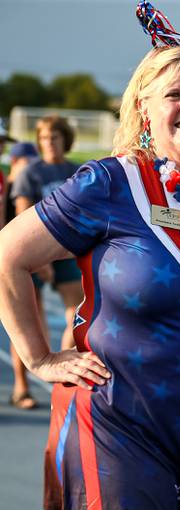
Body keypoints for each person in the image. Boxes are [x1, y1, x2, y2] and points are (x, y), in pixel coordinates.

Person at [0, 4, 180, 510]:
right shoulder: (108, 184)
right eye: (173, 94)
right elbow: (7, 256)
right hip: (119, 421)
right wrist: (40, 358)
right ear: (143, 106)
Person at [12, 116, 84, 353]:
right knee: (31, 321)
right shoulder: (29, 173)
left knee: (78, 314)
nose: (49, 142)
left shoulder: (77, 171)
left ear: (65, 139)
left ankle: (65, 369)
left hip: (68, 250)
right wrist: (40, 260)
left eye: (54, 137)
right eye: (43, 138)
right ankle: (23, 387)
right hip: (36, 252)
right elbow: (23, 216)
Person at [4, 141, 41, 409]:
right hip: (8, 260)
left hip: (14, 263)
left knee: (26, 318)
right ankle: (20, 385)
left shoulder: (8, 181)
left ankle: (22, 387)